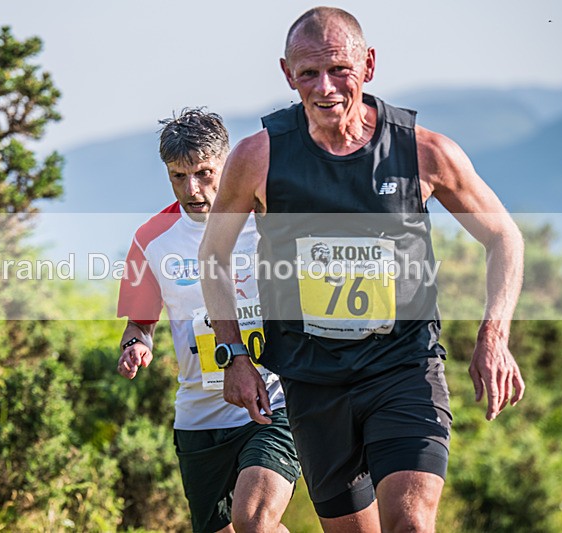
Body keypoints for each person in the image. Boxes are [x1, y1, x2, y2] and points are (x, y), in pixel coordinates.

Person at [199, 7, 525, 532]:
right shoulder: (258, 157)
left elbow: (503, 237)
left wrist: (495, 334)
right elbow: (212, 256)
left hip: (403, 365)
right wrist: (234, 353)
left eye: (339, 70)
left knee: (412, 522)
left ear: (368, 65)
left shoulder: (423, 152)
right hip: (313, 378)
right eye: (308, 74)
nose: (324, 87)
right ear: (287, 74)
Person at [116, 108, 301, 533]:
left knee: (253, 520)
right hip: (200, 415)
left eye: (203, 172)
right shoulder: (151, 239)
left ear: (228, 162)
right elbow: (139, 324)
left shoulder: (268, 221)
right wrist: (135, 346)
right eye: (178, 176)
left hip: (275, 402)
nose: (193, 190)